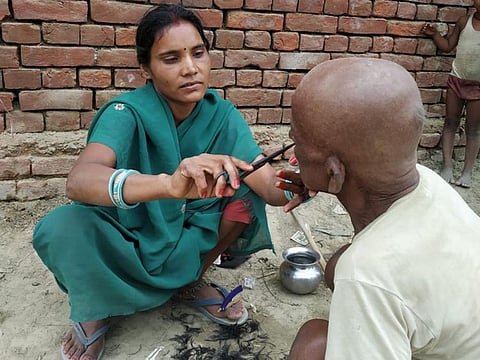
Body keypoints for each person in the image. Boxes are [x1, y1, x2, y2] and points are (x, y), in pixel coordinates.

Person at [32, 5, 304, 360]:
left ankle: (189, 282)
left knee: (244, 196)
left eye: (198, 53)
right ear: (146, 68)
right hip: (130, 235)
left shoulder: (222, 115)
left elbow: (268, 186)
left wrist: (306, 177)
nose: (191, 68)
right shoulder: (126, 112)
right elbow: (80, 180)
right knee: (61, 227)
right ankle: (95, 308)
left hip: (188, 237)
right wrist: (169, 185)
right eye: (171, 58)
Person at [282, 58, 480, 359]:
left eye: (297, 140)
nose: (290, 144)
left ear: (335, 173)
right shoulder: (427, 182)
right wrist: (319, 179)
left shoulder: (367, 272)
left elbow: (370, 271)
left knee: (314, 343)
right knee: (337, 266)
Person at [422, 0, 480, 188]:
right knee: (450, 123)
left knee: (473, 129)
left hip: (478, 87)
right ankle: (447, 165)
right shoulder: (464, 22)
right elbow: (447, 46)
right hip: (456, 80)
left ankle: (467, 172)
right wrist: (435, 35)